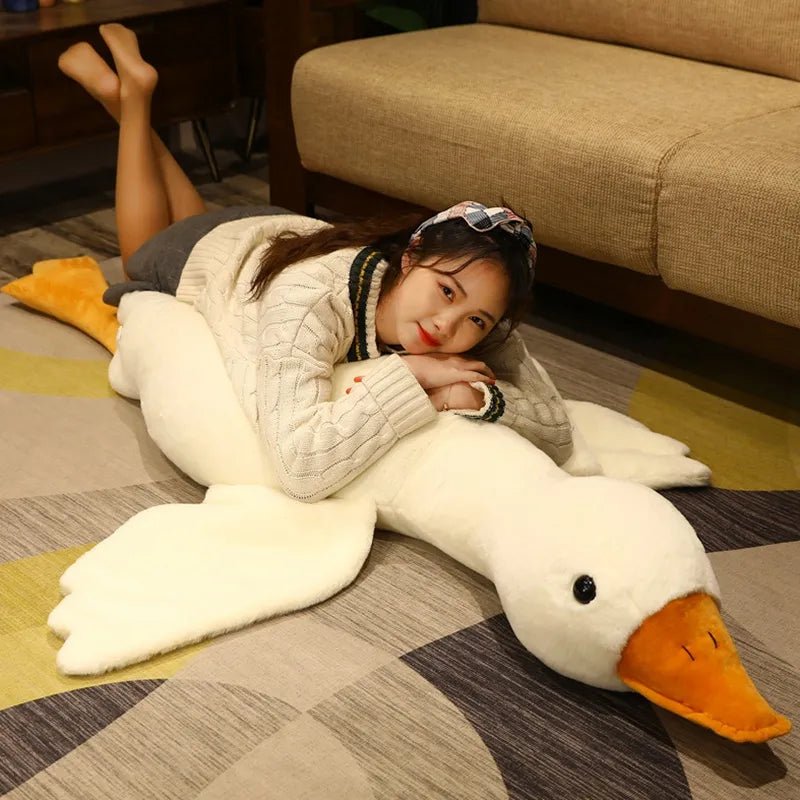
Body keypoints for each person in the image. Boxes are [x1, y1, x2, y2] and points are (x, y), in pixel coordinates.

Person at [58, 24, 574, 503]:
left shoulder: (477, 305)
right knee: (141, 253)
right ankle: (131, 100)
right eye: (445, 291)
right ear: (412, 255)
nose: (447, 326)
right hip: (220, 254)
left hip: (272, 234)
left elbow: (556, 431)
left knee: (197, 218)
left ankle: (123, 95)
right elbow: (301, 468)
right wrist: (413, 376)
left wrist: (475, 398)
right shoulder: (312, 301)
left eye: (476, 320)